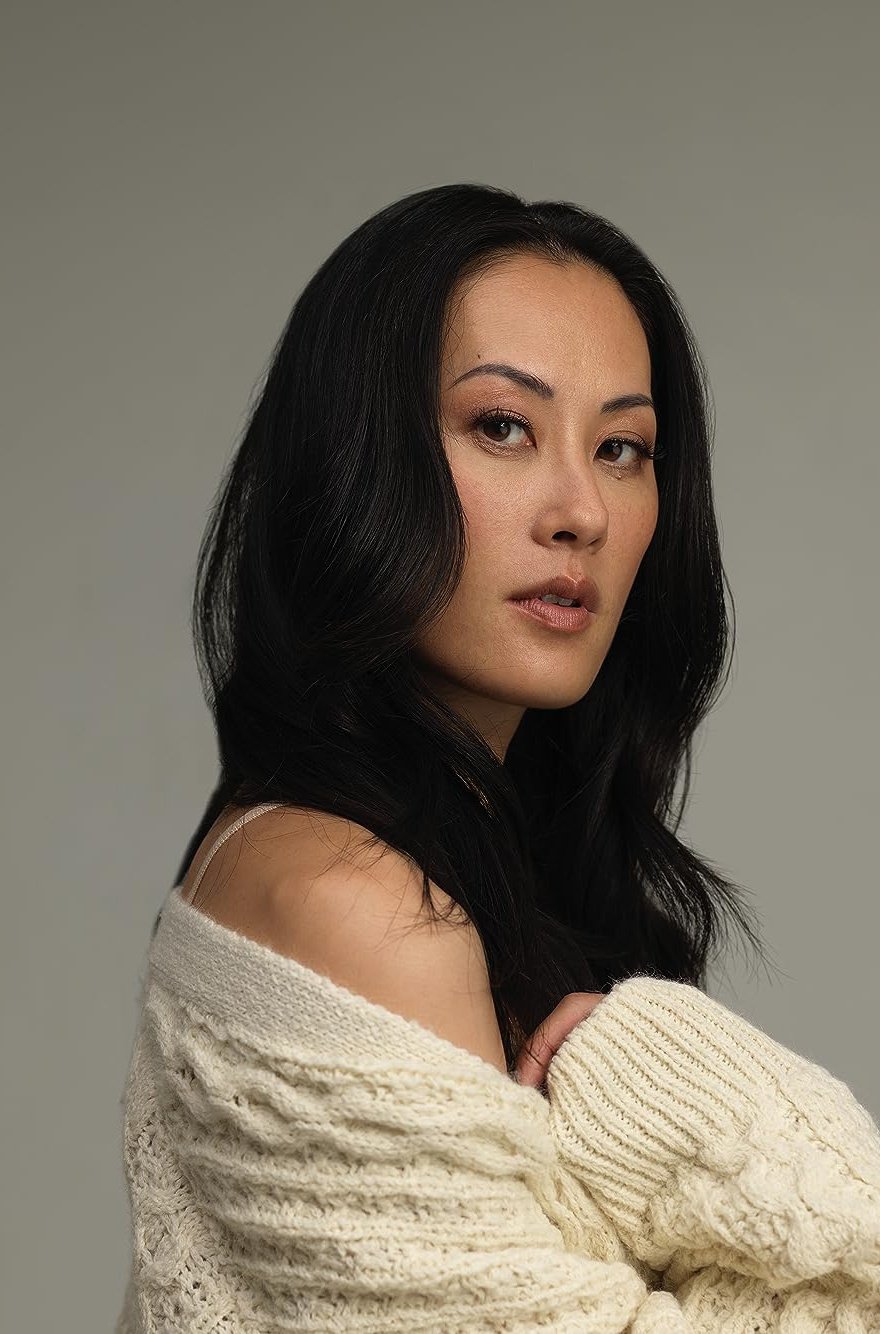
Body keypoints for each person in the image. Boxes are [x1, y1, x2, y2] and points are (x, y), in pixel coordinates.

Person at [117, 184, 880, 1332]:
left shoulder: (452, 860)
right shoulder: (360, 901)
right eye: (502, 427)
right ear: (356, 460)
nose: (581, 511)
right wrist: (702, 1082)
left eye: (621, 448)